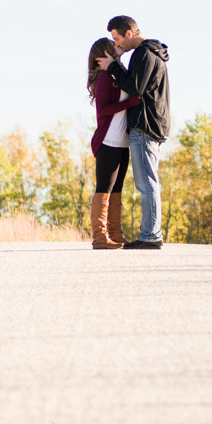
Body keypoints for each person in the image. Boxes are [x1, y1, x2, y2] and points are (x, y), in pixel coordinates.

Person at [104, 15, 170, 250]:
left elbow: (135, 89)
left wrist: (111, 67)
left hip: (145, 125)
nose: (117, 44)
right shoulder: (152, 53)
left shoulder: (143, 54)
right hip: (154, 124)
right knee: (148, 181)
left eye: (118, 38)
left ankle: (151, 236)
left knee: (147, 182)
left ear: (129, 34)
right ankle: (151, 233)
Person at [87, 37, 140, 249]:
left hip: (123, 142)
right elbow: (103, 110)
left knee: (117, 189)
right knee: (104, 188)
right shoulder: (104, 78)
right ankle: (100, 237)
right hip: (108, 141)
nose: (117, 45)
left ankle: (116, 234)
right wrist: (130, 102)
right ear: (106, 52)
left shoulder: (118, 74)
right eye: (114, 44)